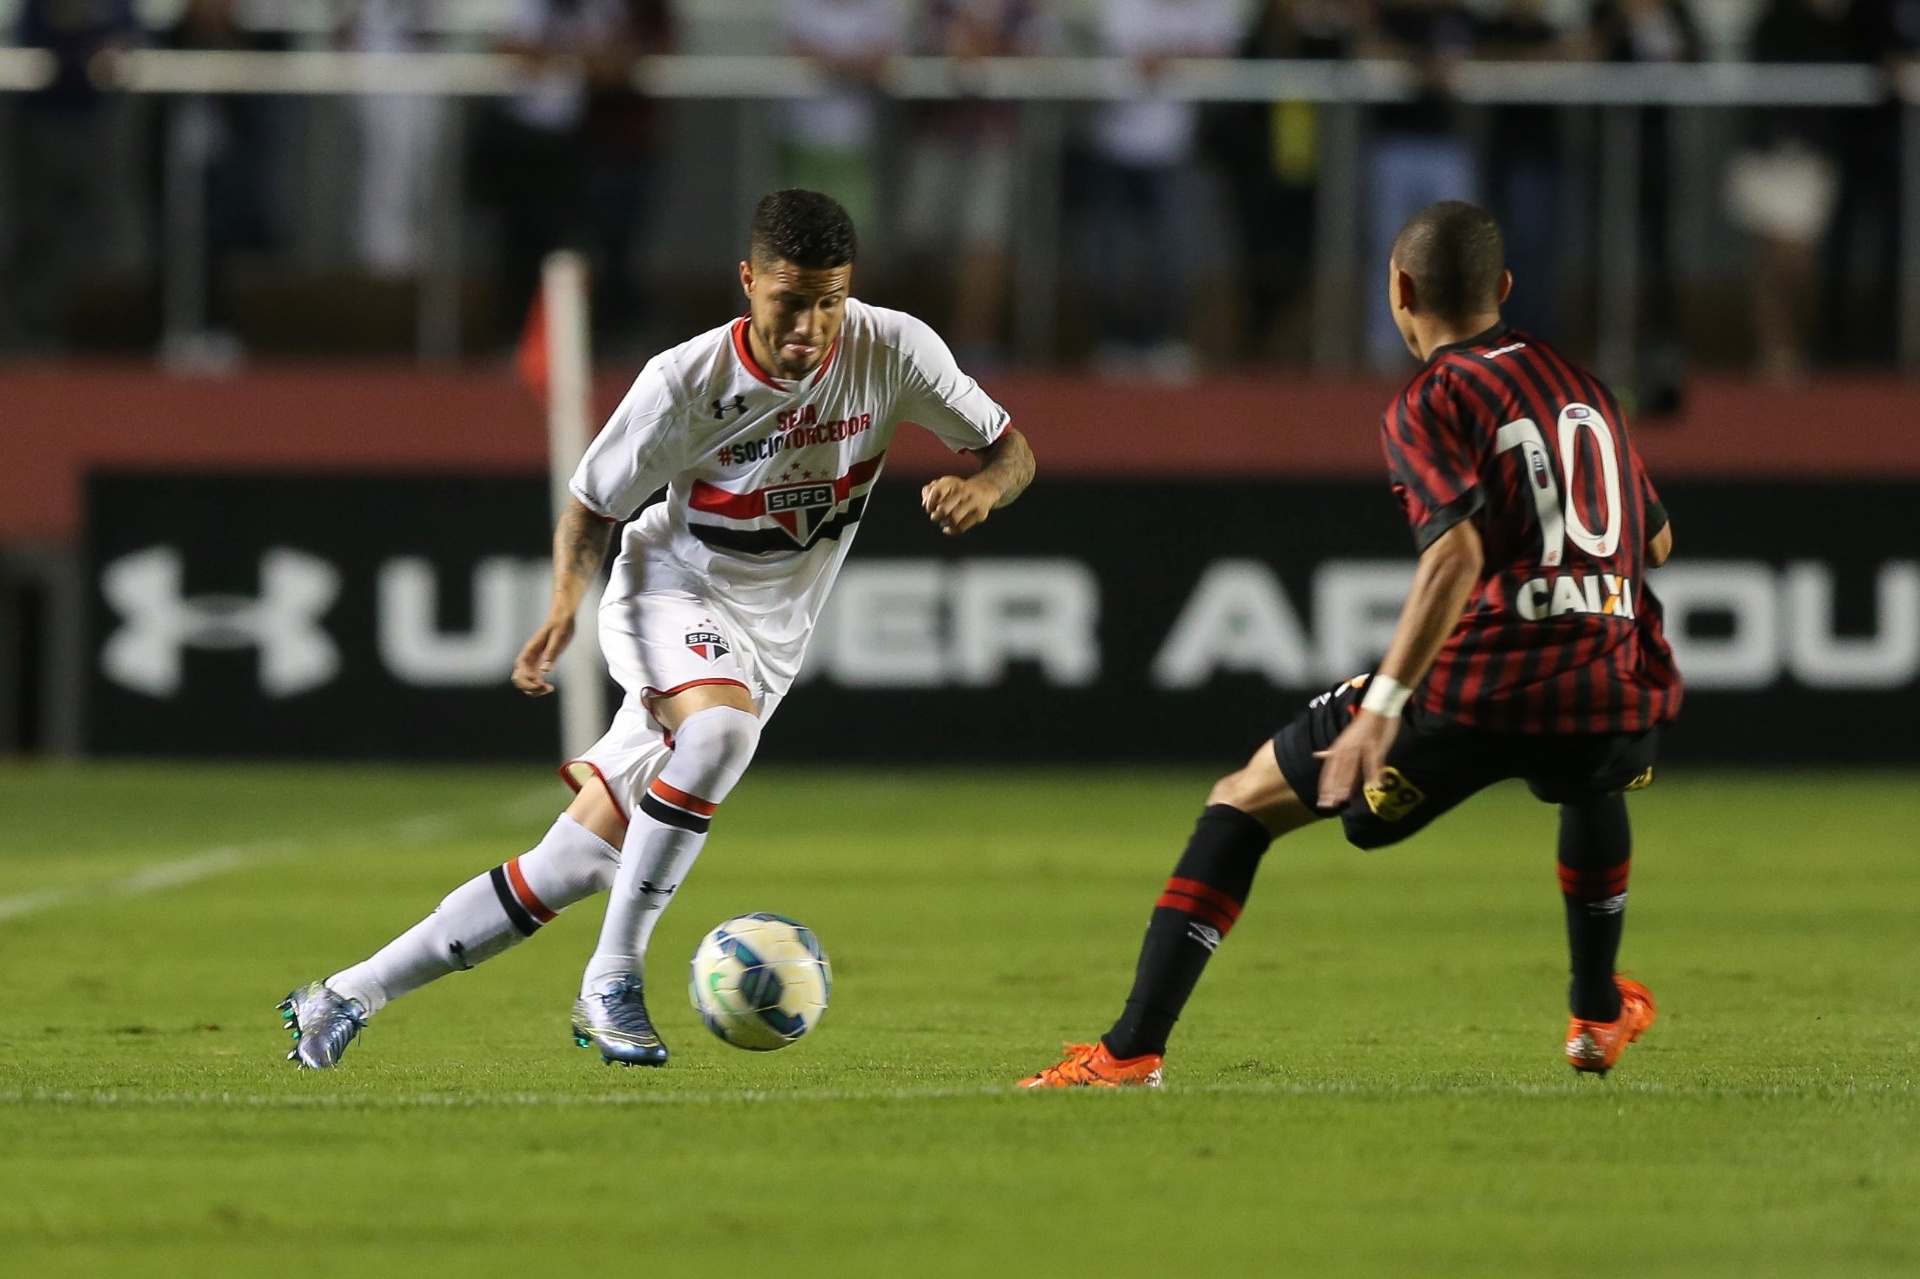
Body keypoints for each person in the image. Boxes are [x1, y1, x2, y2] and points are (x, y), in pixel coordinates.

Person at [282, 190, 1036, 1069]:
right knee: (719, 734)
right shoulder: (685, 382)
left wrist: (984, 488)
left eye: (828, 301)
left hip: (771, 638)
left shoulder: (893, 348)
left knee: (572, 862)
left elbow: (1010, 448)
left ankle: (342, 995)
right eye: (789, 300)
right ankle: (612, 979)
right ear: (748, 282)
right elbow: (592, 505)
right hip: (667, 593)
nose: (809, 326)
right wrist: (564, 606)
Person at [1021, 201, 1681, 1089]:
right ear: (1505, 290)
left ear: (1399, 288)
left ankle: (1130, 1050)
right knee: (1587, 767)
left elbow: (1456, 551)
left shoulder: (1434, 396)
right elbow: (1657, 542)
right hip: (1617, 681)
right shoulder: (1585, 386)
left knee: (1244, 801)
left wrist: (1384, 702)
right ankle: (1597, 1010)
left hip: (1480, 687)